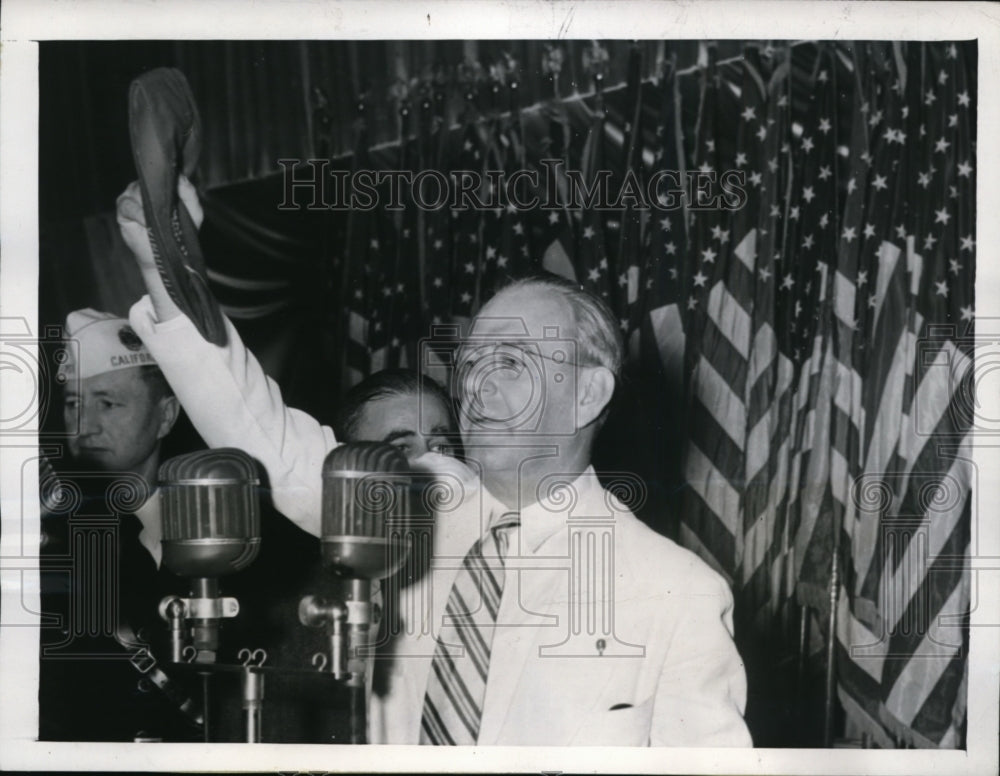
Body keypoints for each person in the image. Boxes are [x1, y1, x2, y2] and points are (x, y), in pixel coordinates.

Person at [118, 179, 752, 747]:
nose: (474, 388)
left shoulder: (677, 593)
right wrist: (167, 269)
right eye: (470, 364)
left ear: (588, 392)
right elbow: (264, 434)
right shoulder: (409, 504)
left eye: (510, 362)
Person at [38, 308, 201, 741]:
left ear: (166, 416)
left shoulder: (221, 525)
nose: (83, 426)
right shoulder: (42, 540)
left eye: (107, 403)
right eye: (73, 403)